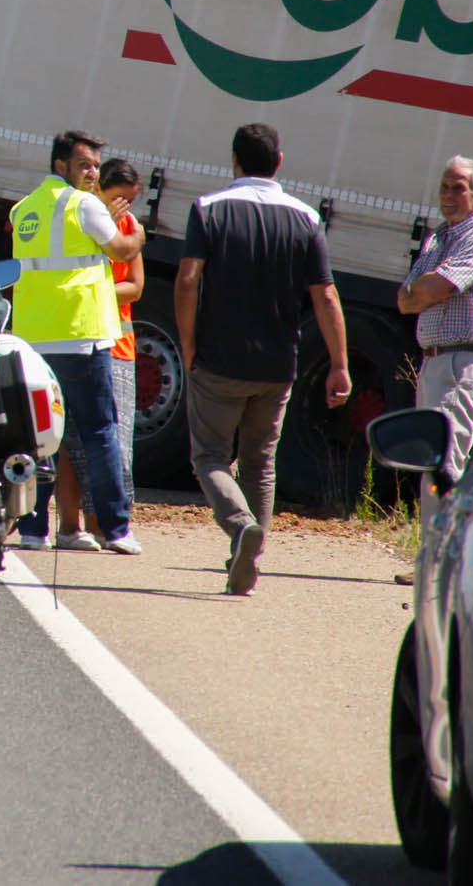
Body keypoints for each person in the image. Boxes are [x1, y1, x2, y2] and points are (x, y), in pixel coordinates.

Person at [174, 123, 350, 597]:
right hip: (277, 366)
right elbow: (326, 296)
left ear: (234, 160)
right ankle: (248, 559)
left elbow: (188, 279)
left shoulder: (208, 209)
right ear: (279, 162)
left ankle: (239, 527)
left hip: (218, 360)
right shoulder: (306, 218)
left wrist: (188, 345)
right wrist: (339, 363)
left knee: (210, 455)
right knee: (261, 463)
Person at [8, 130, 145, 554]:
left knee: (38, 437)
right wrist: (137, 232)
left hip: (32, 340)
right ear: (60, 166)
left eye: (95, 166)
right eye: (84, 164)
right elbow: (122, 250)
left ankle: (32, 530)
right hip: (82, 338)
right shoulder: (85, 205)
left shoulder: (22, 209)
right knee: (99, 431)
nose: (92, 173)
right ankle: (116, 528)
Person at [397, 155, 473, 547]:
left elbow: (430, 290)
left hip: (463, 362)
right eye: (444, 185)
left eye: (458, 187)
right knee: (431, 461)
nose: (447, 194)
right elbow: (404, 299)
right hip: (434, 361)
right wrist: (421, 291)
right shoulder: (438, 239)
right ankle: (433, 555)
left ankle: (444, 558)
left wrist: (423, 290)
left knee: (446, 463)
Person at [99, 157, 144, 511]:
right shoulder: (86, 223)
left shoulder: (129, 225)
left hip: (121, 345)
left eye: (129, 199)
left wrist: (94, 291)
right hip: (89, 340)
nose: (124, 207)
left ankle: (119, 515)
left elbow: (136, 286)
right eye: (118, 197)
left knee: (119, 440)